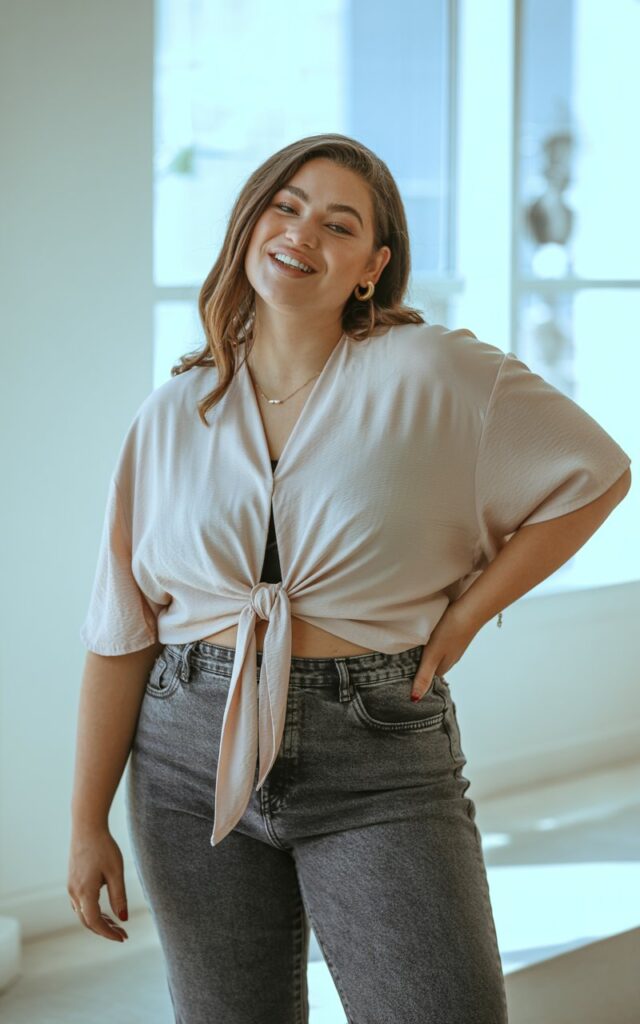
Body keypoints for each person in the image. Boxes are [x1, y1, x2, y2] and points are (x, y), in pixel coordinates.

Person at [68, 133, 631, 1024]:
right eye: (286, 206)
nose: (302, 233)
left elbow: (595, 473)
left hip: (376, 744)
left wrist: (468, 616)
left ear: (372, 265)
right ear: (252, 223)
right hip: (183, 748)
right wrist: (85, 822)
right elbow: (122, 634)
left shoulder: (432, 370)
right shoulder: (175, 410)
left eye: (339, 224)